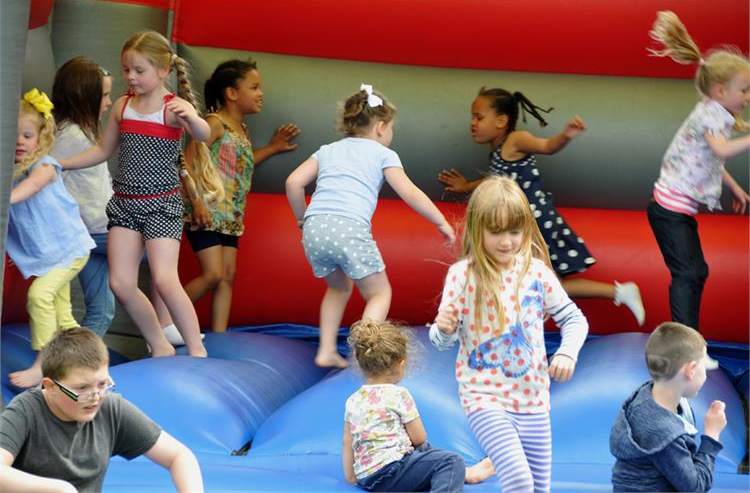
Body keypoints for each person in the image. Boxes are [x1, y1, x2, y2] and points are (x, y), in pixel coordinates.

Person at [430, 176, 589, 493]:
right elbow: (440, 341)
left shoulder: (536, 272)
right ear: (477, 228)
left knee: (539, 487)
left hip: (533, 399)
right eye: (496, 232)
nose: (506, 242)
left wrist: (567, 352)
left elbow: (574, 319)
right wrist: (444, 329)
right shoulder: (463, 275)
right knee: (519, 480)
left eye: (515, 232)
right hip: (484, 396)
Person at [437, 88, 645, 326]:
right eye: (472, 117)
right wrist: (465, 186)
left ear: (501, 121)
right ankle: (620, 292)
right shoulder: (498, 151)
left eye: (479, 117)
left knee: (536, 279)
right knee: (547, 281)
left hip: (534, 222)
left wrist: (565, 135)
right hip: (522, 223)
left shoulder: (515, 140)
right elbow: (495, 179)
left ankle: (493, 323)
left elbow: (547, 146)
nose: (473, 123)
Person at [60, 30, 210, 357]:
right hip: (125, 206)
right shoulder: (123, 107)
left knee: (165, 279)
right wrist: (64, 163)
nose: (131, 76)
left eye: (139, 70)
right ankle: (159, 344)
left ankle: (197, 349)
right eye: (126, 69)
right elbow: (103, 150)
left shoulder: (173, 109)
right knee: (121, 283)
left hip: (161, 205)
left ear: (164, 70)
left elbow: (204, 135)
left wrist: (193, 118)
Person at [286, 84, 455, 368]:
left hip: (315, 229)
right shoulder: (383, 154)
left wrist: (303, 219)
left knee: (338, 288)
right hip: (349, 229)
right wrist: (441, 222)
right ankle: (364, 356)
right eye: (391, 128)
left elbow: (293, 182)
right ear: (380, 126)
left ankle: (326, 350)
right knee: (379, 293)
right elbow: (410, 192)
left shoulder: (326, 150)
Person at [155, 58, 300, 333]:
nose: (260, 94)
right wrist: (197, 202)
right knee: (213, 274)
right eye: (254, 88)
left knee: (227, 277)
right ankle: (161, 321)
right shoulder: (215, 123)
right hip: (206, 213)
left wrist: (272, 148)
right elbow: (187, 161)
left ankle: (220, 334)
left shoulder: (241, 129)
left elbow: (240, 162)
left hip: (229, 217)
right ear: (232, 93)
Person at [0, 328, 203, 493]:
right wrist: (58, 489)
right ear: (51, 386)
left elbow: (180, 456)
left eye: (103, 384)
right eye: (82, 388)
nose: (95, 396)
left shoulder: (110, 408)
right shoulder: (26, 410)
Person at [646, 10, 750, 331]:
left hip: (675, 210)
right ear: (720, 91)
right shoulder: (711, 115)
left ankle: (688, 338)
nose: (747, 97)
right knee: (689, 273)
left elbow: (708, 160)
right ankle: (685, 342)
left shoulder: (713, 112)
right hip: (669, 210)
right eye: (744, 90)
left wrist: (733, 186)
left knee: (696, 271)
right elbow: (721, 151)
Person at [7, 89, 95, 388]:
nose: (20, 142)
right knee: (63, 315)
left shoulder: (44, 165)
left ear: (41, 138)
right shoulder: (13, 174)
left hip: (69, 249)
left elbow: (33, 186)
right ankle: (88, 360)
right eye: (14, 136)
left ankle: (43, 363)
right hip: (51, 255)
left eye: (27, 136)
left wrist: (6, 199)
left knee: (39, 296)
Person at [343, 319, 495, 492]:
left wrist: (351, 477)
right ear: (401, 363)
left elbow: (347, 442)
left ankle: (465, 473)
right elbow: (419, 438)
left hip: (367, 478)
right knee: (451, 461)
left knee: (424, 452)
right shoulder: (399, 394)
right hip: (392, 472)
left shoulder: (353, 400)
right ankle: (460, 472)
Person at [610, 322, 726, 492]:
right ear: (691, 370)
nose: (706, 374)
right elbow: (696, 487)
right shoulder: (664, 435)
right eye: (704, 367)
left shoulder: (645, 394)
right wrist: (712, 435)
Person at [50, 56, 116, 338]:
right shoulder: (70, 136)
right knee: (157, 246)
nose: (109, 103)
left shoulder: (84, 131)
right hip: (94, 231)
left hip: (92, 232)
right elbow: (50, 180)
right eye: (105, 96)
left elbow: (98, 184)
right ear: (84, 97)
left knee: (102, 309)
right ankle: (164, 326)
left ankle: (79, 360)